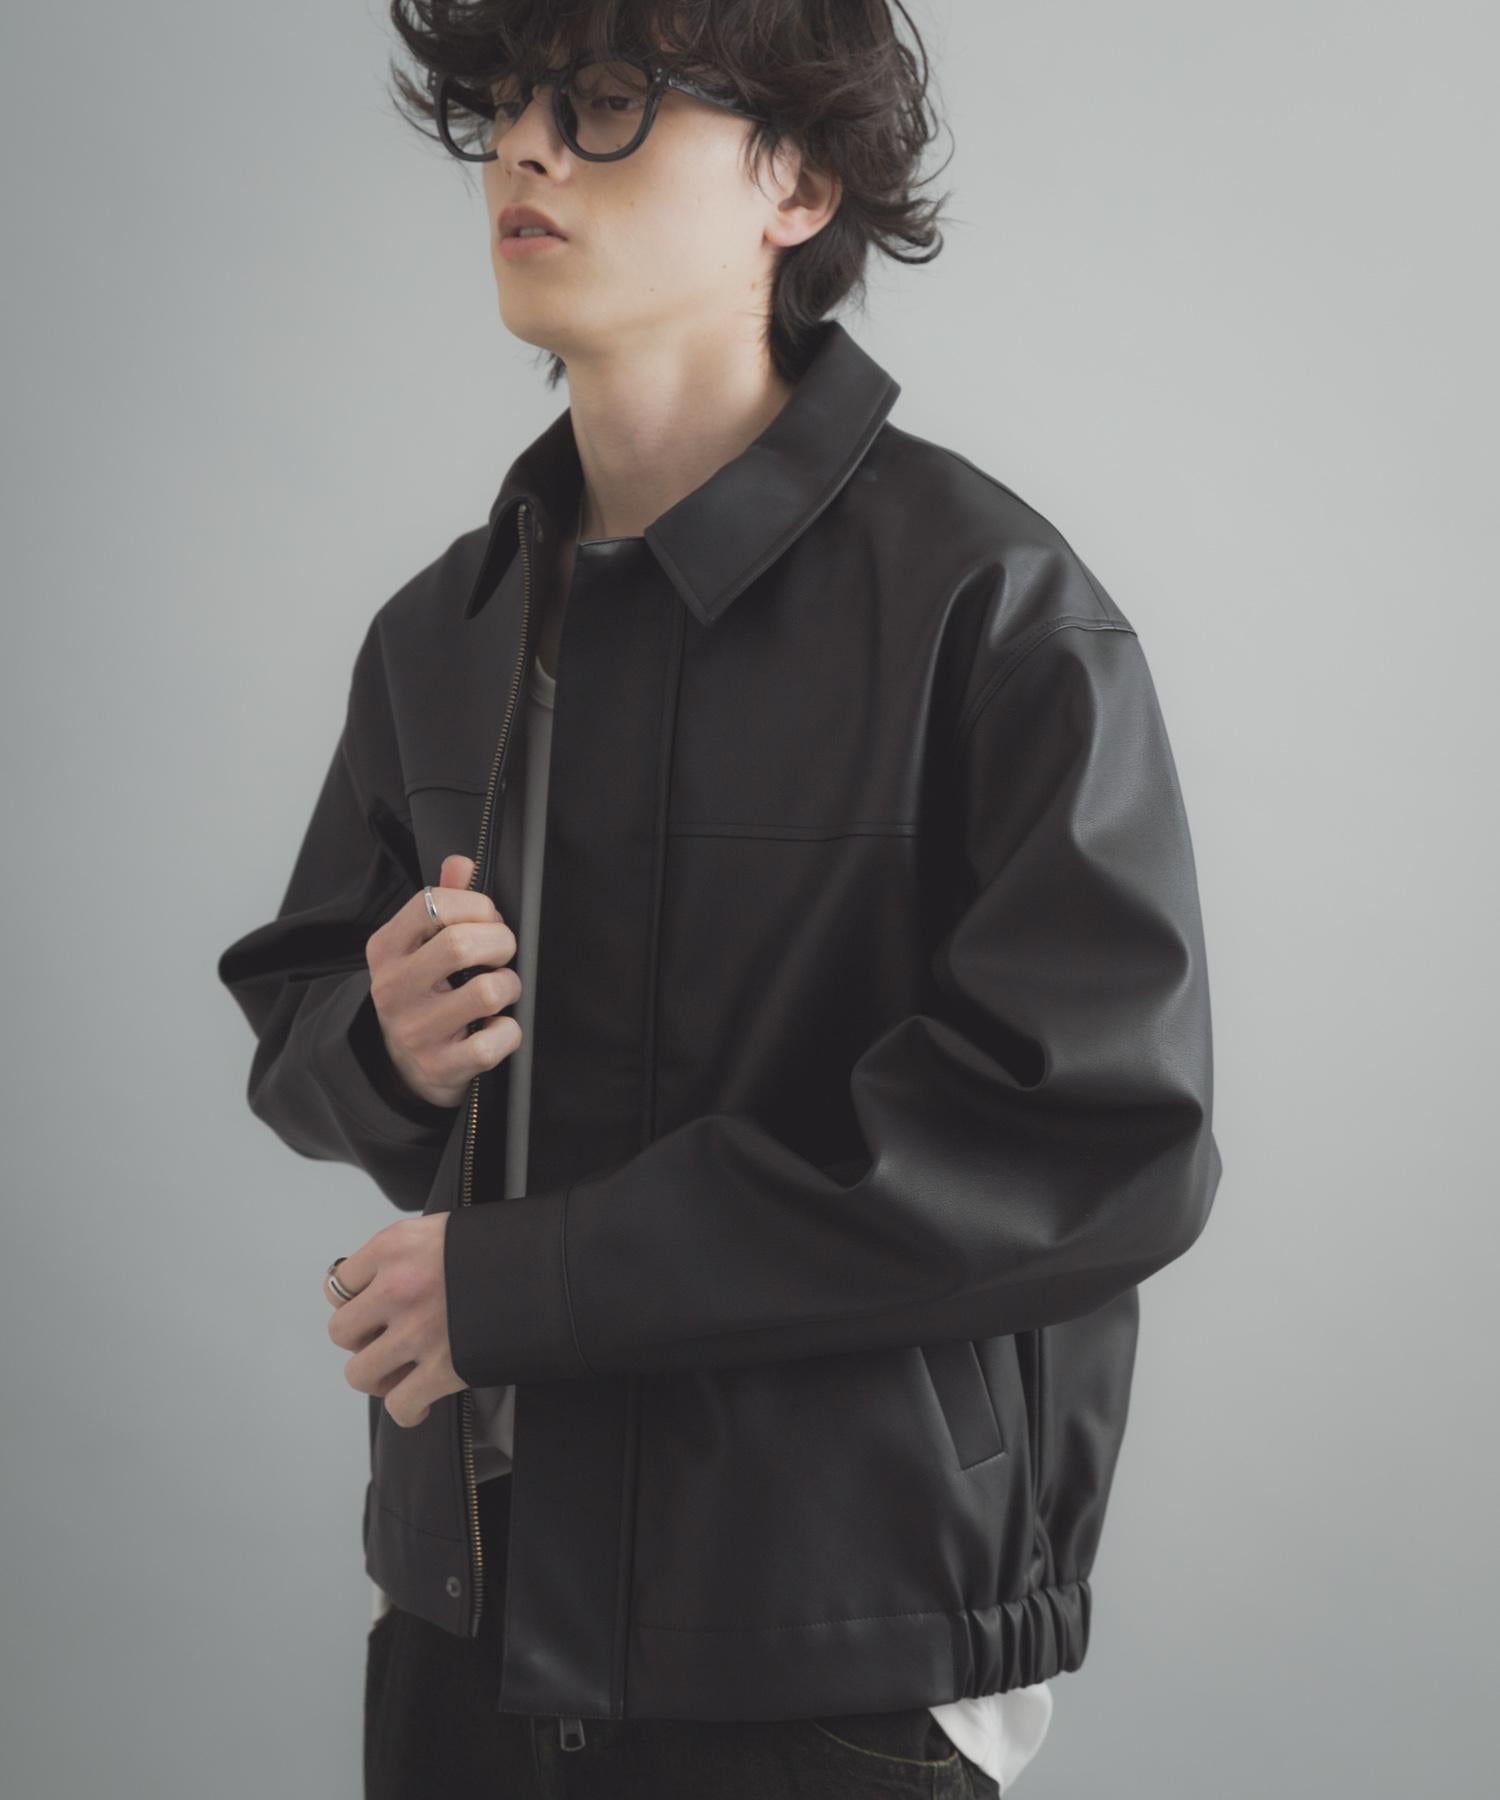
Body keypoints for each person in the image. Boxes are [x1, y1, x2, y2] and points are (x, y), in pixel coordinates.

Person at [217, 4, 1223, 1796]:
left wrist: (522, 1284)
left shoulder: (991, 612)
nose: (527, 149)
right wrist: (382, 1047)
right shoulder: (441, 632)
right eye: (505, 105)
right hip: (467, 1629)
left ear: (798, 182)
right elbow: (302, 1018)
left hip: (832, 1646)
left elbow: (1096, 1137)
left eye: (607, 102)